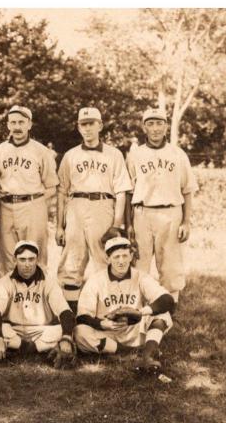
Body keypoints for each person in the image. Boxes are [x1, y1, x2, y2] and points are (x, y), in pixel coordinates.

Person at [56, 107, 132, 313]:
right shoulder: (70, 155)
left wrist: (117, 225)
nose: (88, 128)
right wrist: (59, 226)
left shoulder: (114, 154)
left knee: (103, 259)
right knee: (72, 260)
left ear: (100, 125)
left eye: (92, 123)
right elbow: (62, 191)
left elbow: (122, 191)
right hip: (76, 206)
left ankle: (106, 311)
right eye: (83, 124)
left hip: (102, 205)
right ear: (79, 127)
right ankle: (70, 317)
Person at [125, 108, 199, 308]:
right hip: (142, 213)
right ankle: (137, 308)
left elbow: (188, 190)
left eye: (159, 123)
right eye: (150, 123)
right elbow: (128, 191)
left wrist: (186, 221)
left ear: (166, 126)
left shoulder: (178, 154)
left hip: (171, 212)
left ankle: (168, 309)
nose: (155, 128)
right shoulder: (136, 154)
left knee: (171, 264)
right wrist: (128, 223)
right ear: (144, 127)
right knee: (139, 263)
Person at [74, 234, 175, 372]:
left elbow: (167, 300)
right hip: (108, 331)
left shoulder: (140, 276)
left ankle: (148, 354)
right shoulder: (96, 280)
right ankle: (128, 352)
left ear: (131, 257)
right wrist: (101, 324)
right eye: (116, 257)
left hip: (134, 328)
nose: (121, 261)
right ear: (108, 258)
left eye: (125, 256)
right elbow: (82, 316)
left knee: (163, 315)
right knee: (80, 332)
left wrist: (140, 313)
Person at [0, 105, 59, 277]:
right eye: (13, 122)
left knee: (35, 253)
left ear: (29, 124)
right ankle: (9, 297)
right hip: (6, 206)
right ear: (8, 125)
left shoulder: (41, 151)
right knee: (6, 255)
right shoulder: (1, 149)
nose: (17, 126)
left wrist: (35, 203)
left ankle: (38, 295)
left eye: (21, 122)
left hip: (32, 205)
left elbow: (51, 186)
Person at [0, 241, 76, 367]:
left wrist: (67, 338)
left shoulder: (48, 282)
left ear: (37, 259)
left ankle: (21, 349)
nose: (27, 264)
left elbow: (65, 311)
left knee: (65, 331)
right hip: (14, 329)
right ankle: (41, 349)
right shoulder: (4, 282)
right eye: (22, 259)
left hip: (40, 330)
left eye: (31, 259)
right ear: (15, 260)